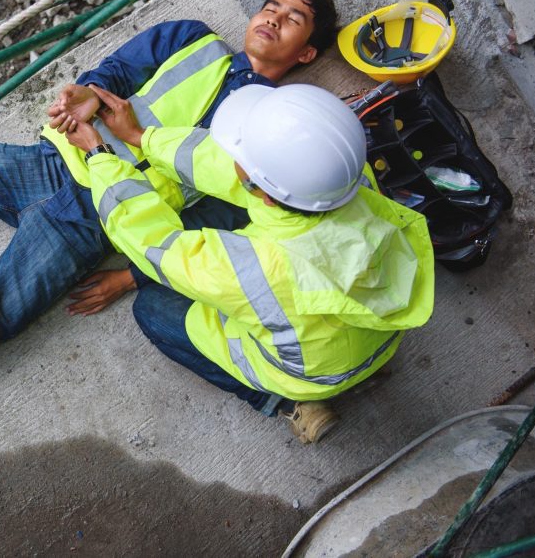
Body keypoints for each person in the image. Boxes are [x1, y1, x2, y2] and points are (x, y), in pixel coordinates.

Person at [0, 0, 339, 526]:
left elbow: (219, 220)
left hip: (91, 222)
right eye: (270, 6)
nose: (271, 17)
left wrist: (132, 274)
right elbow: (114, 74)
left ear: (307, 52)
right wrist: (82, 93)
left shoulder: (271, 132)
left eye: (291, 18)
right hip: (49, 164)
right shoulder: (192, 38)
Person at [60, 82, 435, 445]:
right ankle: (363, 371)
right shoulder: (345, 180)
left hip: (316, 371)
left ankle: (285, 401)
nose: (233, 155)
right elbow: (225, 167)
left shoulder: (257, 267)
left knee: (153, 308)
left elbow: (152, 242)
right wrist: (142, 137)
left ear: (265, 193)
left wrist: (98, 154)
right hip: (382, 338)